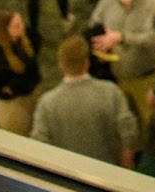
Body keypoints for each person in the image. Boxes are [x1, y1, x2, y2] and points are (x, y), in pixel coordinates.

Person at [30, 35, 137, 167]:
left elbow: (39, 142)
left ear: (60, 65)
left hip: (65, 173)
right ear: (87, 62)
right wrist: (127, 158)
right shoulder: (110, 92)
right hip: (107, 170)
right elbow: (128, 130)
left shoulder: (47, 102)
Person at [86, 0, 155, 126]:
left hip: (146, 77)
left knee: (151, 122)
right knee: (124, 123)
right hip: (116, 76)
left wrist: (122, 38)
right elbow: (94, 23)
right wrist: (102, 45)